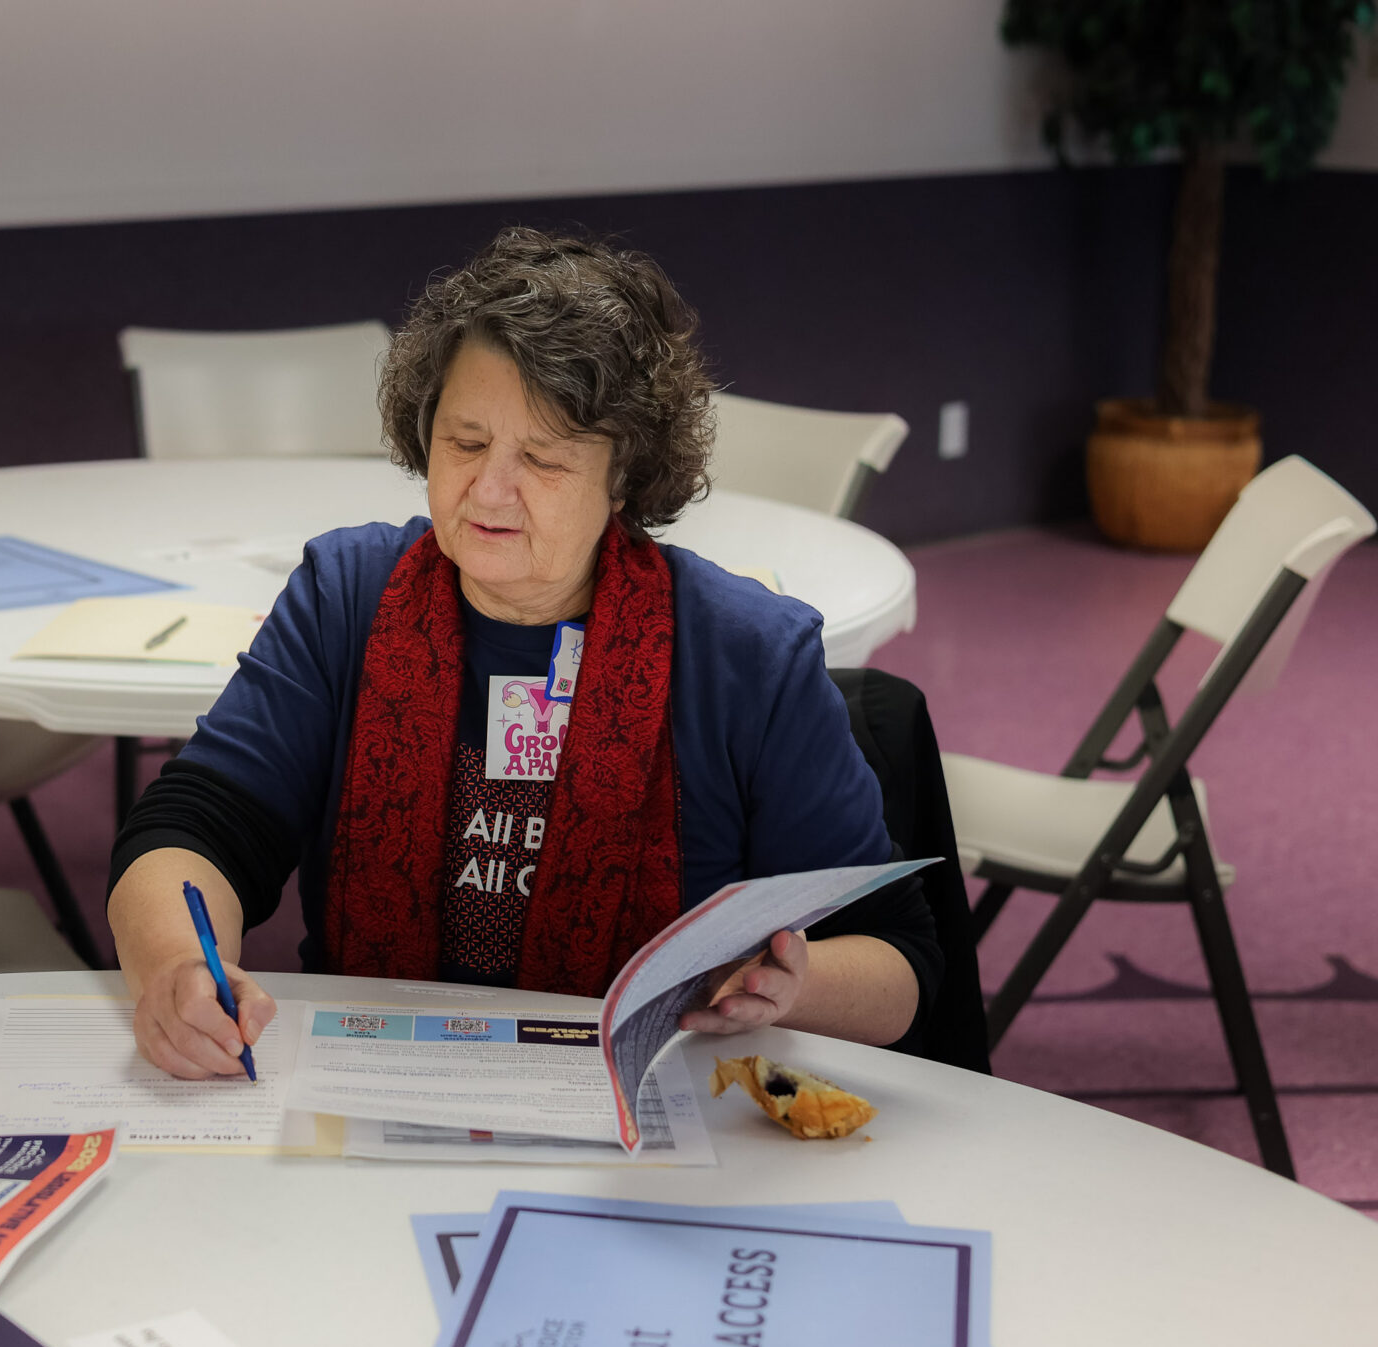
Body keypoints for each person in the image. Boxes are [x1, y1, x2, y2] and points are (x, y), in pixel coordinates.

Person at [107, 227, 940, 1080]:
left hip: (653, 1110)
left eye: (542, 459)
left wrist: (793, 986)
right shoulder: (347, 599)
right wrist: (176, 968)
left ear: (625, 476)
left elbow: (899, 965)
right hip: (375, 1084)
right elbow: (195, 826)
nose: (489, 490)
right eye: (465, 444)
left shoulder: (743, 653)